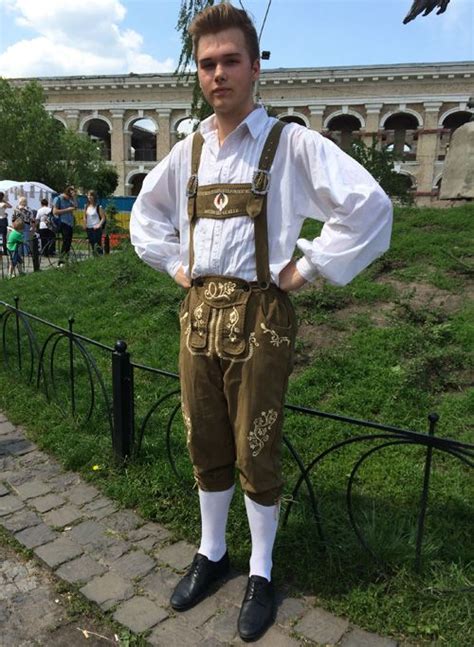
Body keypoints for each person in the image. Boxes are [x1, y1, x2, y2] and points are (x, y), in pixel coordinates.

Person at [130, 3, 393, 642]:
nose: (217, 74)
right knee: (206, 438)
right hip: (197, 316)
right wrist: (173, 265)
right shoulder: (187, 151)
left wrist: (305, 271)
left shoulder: (292, 144)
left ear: (254, 67)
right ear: (200, 73)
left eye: (230, 62)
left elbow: (369, 206)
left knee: (257, 444)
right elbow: (144, 220)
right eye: (207, 64)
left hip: (261, 316)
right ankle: (213, 553)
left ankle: (262, 569)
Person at [53, 185, 76, 265]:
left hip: (70, 223)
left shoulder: (70, 200)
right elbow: (55, 212)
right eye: (69, 195)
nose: (69, 198)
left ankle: (66, 259)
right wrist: (67, 210)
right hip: (63, 222)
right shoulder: (58, 199)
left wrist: (74, 197)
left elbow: (75, 206)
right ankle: (61, 261)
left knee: (69, 242)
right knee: (65, 241)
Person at [83, 190, 105, 255]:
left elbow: (103, 218)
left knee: (97, 245)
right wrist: (84, 224)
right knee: (92, 244)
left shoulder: (98, 207)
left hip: (96, 228)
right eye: (88, 195)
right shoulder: (86, 206)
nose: (89, 197)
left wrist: (99, 225)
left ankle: (100, 258)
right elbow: (84, 216)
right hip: (89, 228)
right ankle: (95, 258)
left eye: (91, 195)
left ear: (94, 197)